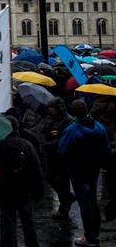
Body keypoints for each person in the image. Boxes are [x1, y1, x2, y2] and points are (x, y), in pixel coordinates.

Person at [58, 99, 110, 247]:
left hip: (77, 168)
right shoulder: (99, 127)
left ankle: (90, 237)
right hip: (93, 167)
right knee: (92, 200)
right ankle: (95, 234)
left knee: (84, 203)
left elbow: (62, 150)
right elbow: (106, 147)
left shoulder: (72, 129)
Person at [0, 116, 43, 247]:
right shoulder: (27, 145)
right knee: (28, 220)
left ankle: (9, 243)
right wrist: (38, 189)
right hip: (24, 189)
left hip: (6, 188)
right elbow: (37, 168)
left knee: (8, 219)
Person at [39, 97, 75, 219]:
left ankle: (64, 208)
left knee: (62, 181)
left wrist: (49, 144)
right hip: (50, 154)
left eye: (53, 108)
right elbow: (43, 129)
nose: (50, 110)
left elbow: (65, 139)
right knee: (50, 178)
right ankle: (67, 197)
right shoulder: (49, 117)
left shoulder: (68, 120)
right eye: (49, 107)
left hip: (62, 156)